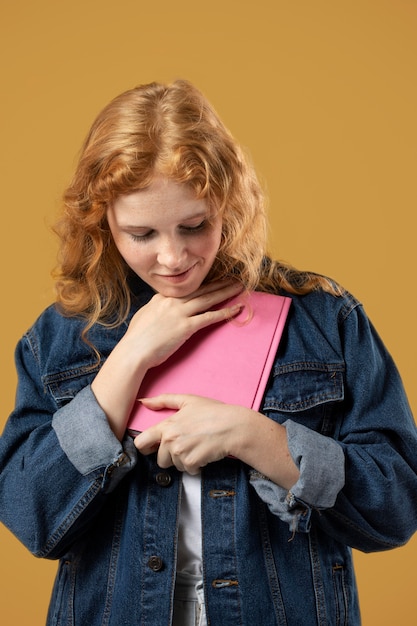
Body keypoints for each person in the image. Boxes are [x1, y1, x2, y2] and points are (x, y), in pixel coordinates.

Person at [0, 79, 416, 626]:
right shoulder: (58, 338)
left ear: (229, 203)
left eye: (194, 226)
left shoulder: (323, 320)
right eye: (141, 233)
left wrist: (255, 438)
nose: (172, 257)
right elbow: (32, 517)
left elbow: (394, 508)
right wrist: (128, 360)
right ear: (102, 224)